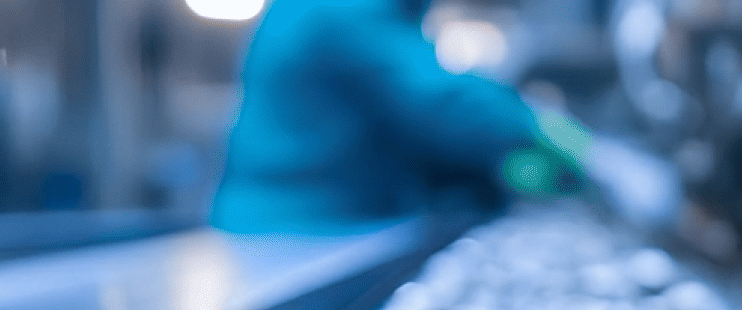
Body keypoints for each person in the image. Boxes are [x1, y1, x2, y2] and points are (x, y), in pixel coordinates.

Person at [212, 0, 584, 234]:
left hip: (320, 215)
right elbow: (441, 101)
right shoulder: (342, 8)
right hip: (290, 225)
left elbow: (406, 121)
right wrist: (549, 130)